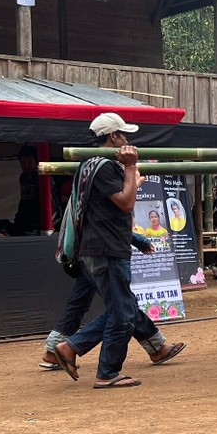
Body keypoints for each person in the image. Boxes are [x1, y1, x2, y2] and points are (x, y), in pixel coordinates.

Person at [50, 112, 154, 388]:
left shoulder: (89, 164)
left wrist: (132, 178)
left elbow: (115, 200)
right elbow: (126, 203)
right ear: (114, 136)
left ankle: (71, 348)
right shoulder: (106, 166)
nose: (127, 140)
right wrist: (131, 167)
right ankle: (105, 372)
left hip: (100, 247)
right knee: (122, 313)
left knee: (123, 309)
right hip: (107, 249)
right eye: (124, 134)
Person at [39, 231, 185, 371]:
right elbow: (110, 223)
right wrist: (139, 240)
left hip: (86, 253)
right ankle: (156, 348)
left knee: (80, 303)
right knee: (124, 305)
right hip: (102, 254)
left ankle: (54, 350)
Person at [12, 145, 41, 235]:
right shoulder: (23, 177)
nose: (26, 166)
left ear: (36, 162)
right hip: (25, 215)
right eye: (23, 163)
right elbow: (25, 198)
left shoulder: (41, 177)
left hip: (38, 216)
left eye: (29, 162)